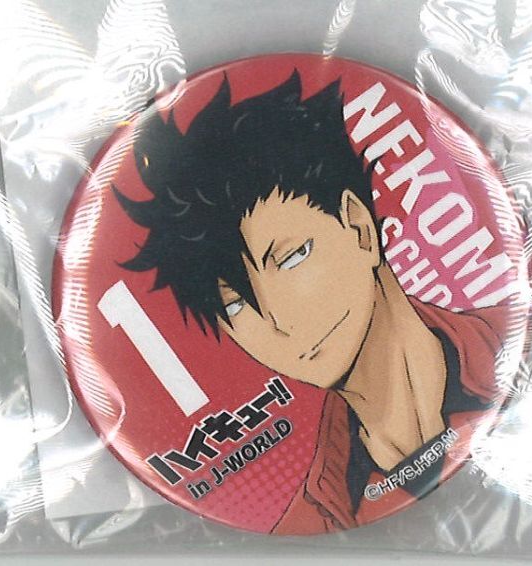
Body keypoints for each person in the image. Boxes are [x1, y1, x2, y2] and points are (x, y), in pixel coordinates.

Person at [115, 70, 507, 534]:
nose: (278, 320)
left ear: (359, 227)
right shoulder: (311, 518)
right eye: (236, 306)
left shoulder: (517, 344)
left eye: (292, 257)